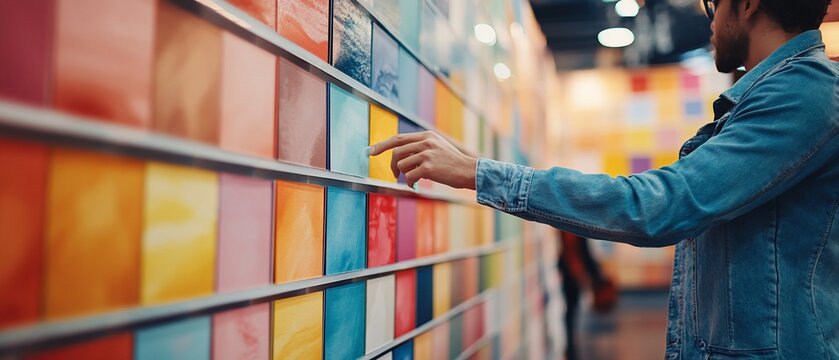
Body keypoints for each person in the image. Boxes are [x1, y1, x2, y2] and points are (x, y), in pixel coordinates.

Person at [369, 0, 839, 357]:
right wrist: (478, 167)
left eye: (712, 4)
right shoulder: (778, 97)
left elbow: (660, 205)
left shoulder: (804, 96)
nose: (709, 21)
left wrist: (479, 174)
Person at [557, 231, 617, 360]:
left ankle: (571, 348)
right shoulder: (571, 225)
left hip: (576, 268)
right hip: (573, 270)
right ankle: (570, 349)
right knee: (571, 311)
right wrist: (580, 275)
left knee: (572, 311)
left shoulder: (572, 223)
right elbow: (571, 250)